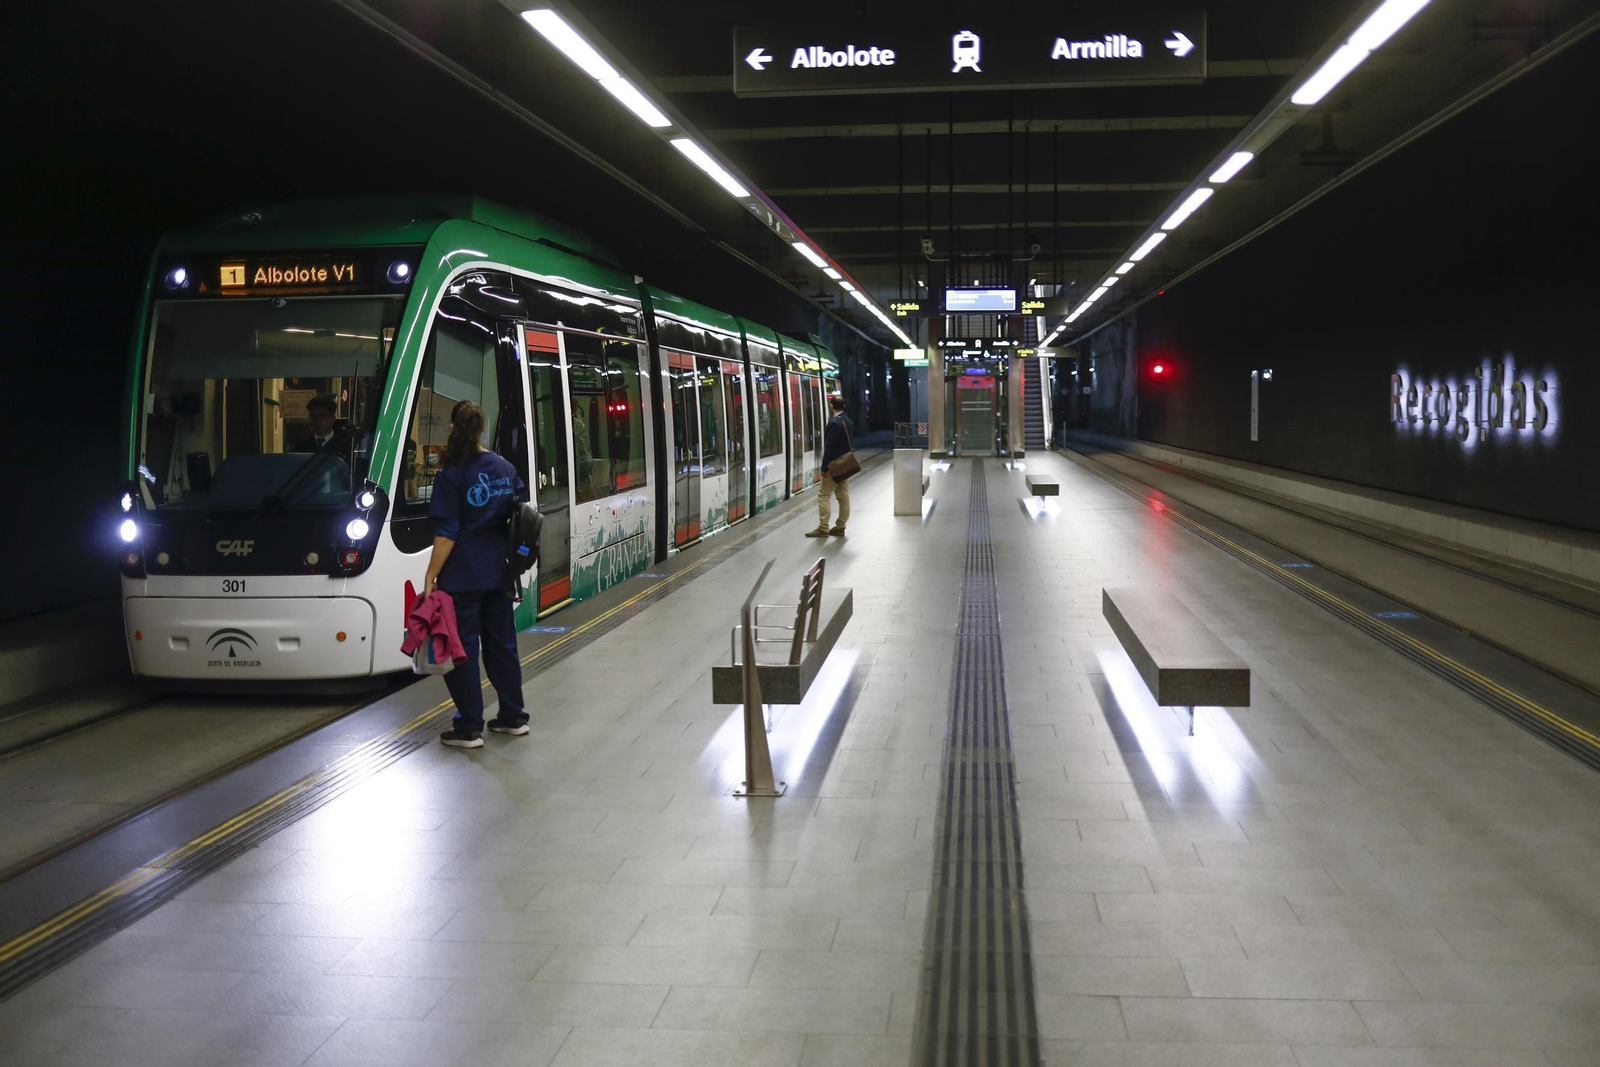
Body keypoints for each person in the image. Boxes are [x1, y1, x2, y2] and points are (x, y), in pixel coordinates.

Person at [423, 400, 530, 748]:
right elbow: (520, 512)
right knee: (502, 645)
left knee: (462, 650)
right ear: (482, 428)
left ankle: (469, 726)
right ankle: (513, 716)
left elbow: (447, 532)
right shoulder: (503, 467)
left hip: (463, 577)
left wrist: (430, 576)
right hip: (499, 573)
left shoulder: (451, 474)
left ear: (454, 428)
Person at [808, 395, 853, 538]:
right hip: (845, 465)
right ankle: (840, 526)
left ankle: (823, 528)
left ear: (831, 406)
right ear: (844, 407)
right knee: (843, 496)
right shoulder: (848, 421)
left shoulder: (834, 422)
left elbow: (830, 447)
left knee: (824, 495)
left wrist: (824, 468)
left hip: (834, 466)